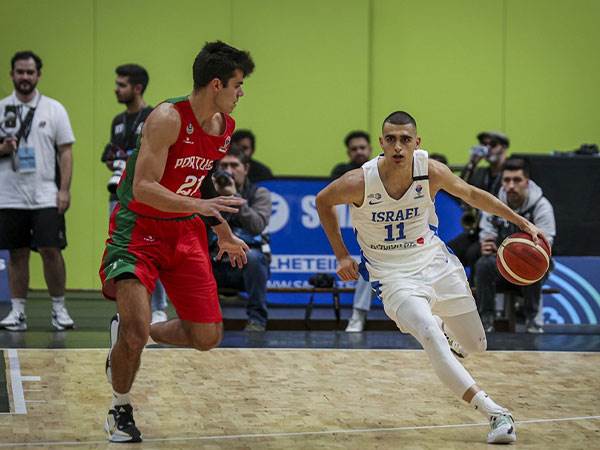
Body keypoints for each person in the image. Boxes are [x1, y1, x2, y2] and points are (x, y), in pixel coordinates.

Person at [316, 110, 547, 444]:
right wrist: (340, 254)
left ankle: (448, 335)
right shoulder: (360, 180)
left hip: (435, 263)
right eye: (391, 139)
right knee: (428, 332)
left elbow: (472, 194)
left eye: (405, 139)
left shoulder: (431, 171)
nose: (398, 146)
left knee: (475, 346)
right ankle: (495, 413)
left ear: (416, 143)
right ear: (381, 143)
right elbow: (323, 201)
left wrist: (520, 222)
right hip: (392, 275)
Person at [98, 41, 254, 442]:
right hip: (139, 229)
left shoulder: (224, 128)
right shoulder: (166, 118)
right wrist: (202, 207)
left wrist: (221, 229)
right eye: (237, 84)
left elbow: (196, 181)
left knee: (207, 337)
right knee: (135, 330)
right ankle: (120, 408)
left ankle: (134, 334)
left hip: (185, 231)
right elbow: (144, 187)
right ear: (216, 83)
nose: (241, 93)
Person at [0, 51, 75, 332]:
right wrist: (4, 149)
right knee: (17, 253)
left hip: (45, 193)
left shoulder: (54, 109)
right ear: (12, 74)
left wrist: (64, 190)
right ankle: (18, 312)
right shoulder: (1, 108)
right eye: (20, 72)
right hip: (9, 194)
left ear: (38, 75)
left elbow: (66, 152)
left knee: (51, 250)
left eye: (30, 72)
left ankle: (59, 308)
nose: (25, 77)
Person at [100, 64, 168, 324]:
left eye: (122, 85)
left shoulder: (155, 117)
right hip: (118, 194)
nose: (117, 89)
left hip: (147, 195)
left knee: (152, 248)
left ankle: (159, 306)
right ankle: (131, 306)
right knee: (123, 250)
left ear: (137, 88)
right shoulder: (118, 121)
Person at [475, 158, 556, 333]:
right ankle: (486, 320)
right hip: (503, 262)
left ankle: (532, 319)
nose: (511, 185)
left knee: (534, 263)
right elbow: (486, 231)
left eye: (517, 180)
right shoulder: (495, 204)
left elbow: (547, 243)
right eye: (506, 180)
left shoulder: (541, 206)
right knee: (483, 264)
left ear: (527, 182)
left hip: (532, 262)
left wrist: (525, 252)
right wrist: (487, 243)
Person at [210, 147, 272, 331]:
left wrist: (234, 196)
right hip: (216, 260)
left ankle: (257, 321)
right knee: (194, 256)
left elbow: (256, 225)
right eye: (224, 165)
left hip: (246, 264)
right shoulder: (209, 193)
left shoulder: (259, 193)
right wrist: (214, 195)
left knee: (254, 257)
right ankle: (204, 322)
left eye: (234, 165)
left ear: (245, 168)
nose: (228, 170)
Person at [448, 131, 510, 279]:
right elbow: (459, 189)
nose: (488, 149)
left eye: (493, 144)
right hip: (477, 229)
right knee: (447, 251)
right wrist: (472, 164)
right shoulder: (481, 173)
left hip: (500, 230)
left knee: (474, 254)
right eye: (484, 144)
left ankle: (477, 296)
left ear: (504, 147)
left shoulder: (511, 174)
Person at [330, 130, 374, 332]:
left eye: (362, 148)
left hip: (383, 233)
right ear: (348, 153)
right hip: (359, 235)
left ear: (371, 150)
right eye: (354, 149)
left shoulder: (378, 171)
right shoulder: (342, 174)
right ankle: (358, 315)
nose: (359, 152)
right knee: (368, 265)